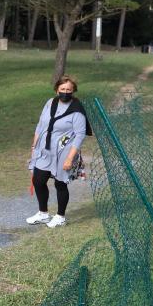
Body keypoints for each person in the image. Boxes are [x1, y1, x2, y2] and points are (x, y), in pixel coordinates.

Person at [27, 75, 90, 228]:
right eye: (62, 89)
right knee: (38, 180)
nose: (65, 92)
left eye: (69, 89)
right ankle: (43, 213)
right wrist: (34, 147)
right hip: (44, 149)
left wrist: (70, 158)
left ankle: (60, 216)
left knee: (60, 184)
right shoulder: (50, 102)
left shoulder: (77, 110)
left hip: (64, 151)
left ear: (73, 91)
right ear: (57, 90)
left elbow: (80, 135)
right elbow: (41, 124)